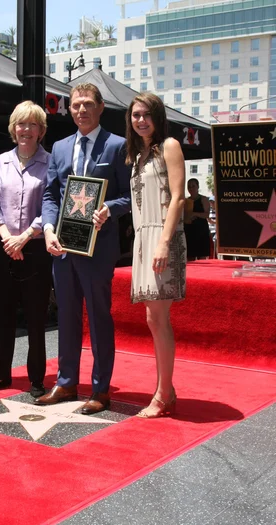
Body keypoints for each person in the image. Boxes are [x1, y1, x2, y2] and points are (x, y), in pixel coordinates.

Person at [37, 83, 131, 415]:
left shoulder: (117, 146)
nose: (81, 110)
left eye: (88, 104)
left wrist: (110, 209)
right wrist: (48, 228)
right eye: (76, 105)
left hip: (99, 247)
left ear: (101, 107)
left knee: (99, 317)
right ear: (69, 109)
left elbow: (130, 195)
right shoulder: (60, 147)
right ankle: (66, 382)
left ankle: (101, 389)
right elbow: (50, 196)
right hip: (62, 246)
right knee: (66, 316)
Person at [0, 101, 52, 396]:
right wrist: (6, 236)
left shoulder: (50, 162)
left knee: (36, 314)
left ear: (41, 131)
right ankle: (1, 375)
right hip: (4, 245)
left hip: (35, 247)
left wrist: (23, 237)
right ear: (13, 129)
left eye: (32, 124)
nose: (26, 129)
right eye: (21, 124)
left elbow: (51, 203)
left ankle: (36, 378)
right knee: (6, 311)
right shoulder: (0, 162)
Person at [125, 92, 186, 418]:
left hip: (163, 237)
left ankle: (163, 395)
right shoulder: (139, 155)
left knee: (159, 319)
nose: (140, 120)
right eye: (136, 115)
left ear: (158, 116)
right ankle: (167, 390)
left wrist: (163, 242)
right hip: (144, 238)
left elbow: (178, 198)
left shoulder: (170, 147)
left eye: (146, 114)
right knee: (153, 318)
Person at [184, 178, 210, 260]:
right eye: (189, 186)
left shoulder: (204, 199)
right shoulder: (186, 200)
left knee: (201, 256)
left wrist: (195, 214)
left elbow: (207, 214)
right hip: (189, 229)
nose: (191, 188)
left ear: (198, 187)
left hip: (201, 230)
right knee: (190, 256)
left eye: (193, 186)